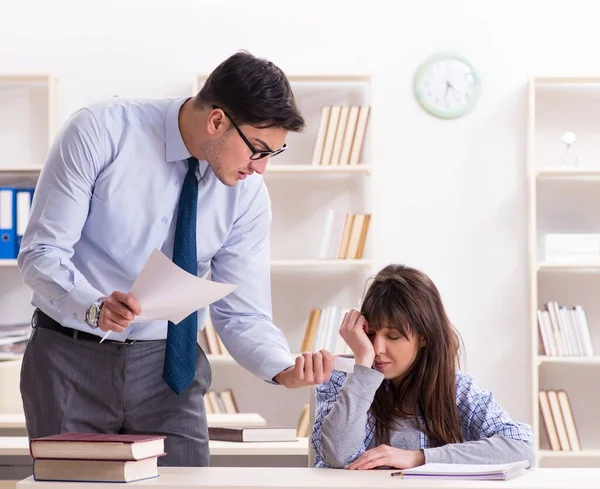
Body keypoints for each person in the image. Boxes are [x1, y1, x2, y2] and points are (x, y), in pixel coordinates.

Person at [17, 51, 333, 467]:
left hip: (171, 363)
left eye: (272, 154)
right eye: (257, 150)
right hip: (71, 357)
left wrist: (281, 369)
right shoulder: (100, 131)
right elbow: (41, 253)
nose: (261, 170)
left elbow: (242, 314)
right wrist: (94, 307)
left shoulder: (247, 195)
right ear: (217, 121)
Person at [311, 264, 535, 470]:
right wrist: (363, 367)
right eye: (370, 333)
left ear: (424, 337)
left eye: (393, 336)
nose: (377, 348)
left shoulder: (454, 389)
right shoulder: (343, 378)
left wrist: (418, 457)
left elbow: (521, 448)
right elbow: (337, 455)